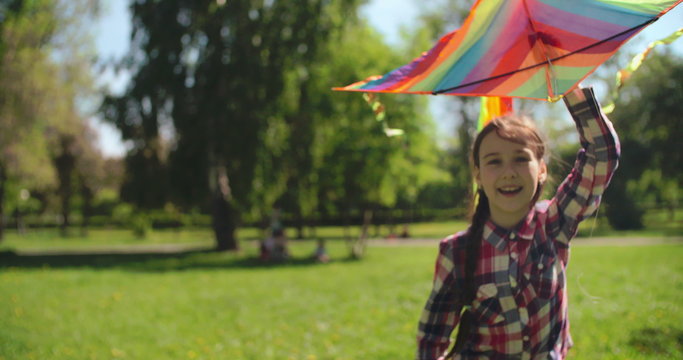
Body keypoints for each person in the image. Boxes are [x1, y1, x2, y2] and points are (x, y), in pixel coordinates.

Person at [416, 87, 620, 360]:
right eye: (494, 162)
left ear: (542, 170)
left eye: (521, 159)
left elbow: (602, 153)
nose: (509, 173)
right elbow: (432, 338)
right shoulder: (457, 252)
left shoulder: (553, 224)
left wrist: (568, 86)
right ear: (477, 174)